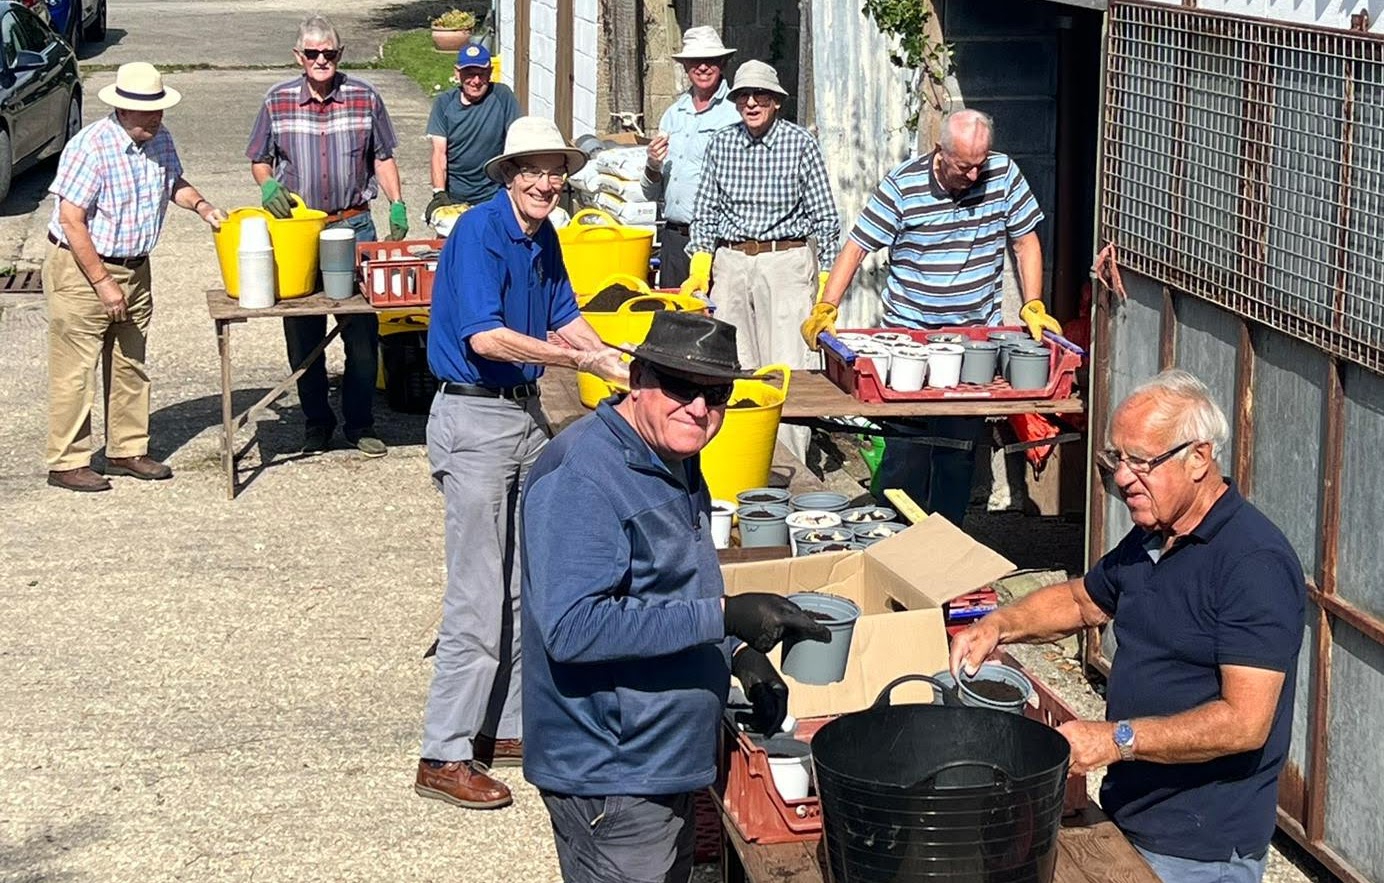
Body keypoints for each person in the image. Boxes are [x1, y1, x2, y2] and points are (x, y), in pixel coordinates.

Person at [950, 369, 1306, 883]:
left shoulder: (1253, 563)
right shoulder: (1154, 537)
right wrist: (998, 625)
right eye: (1118, 459)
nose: (1121, 477)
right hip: (1129, 814)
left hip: (1198, 848)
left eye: (1142, 461)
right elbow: (1081, 600)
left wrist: (1113, 739)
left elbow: (1244, 722)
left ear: (1199, 458)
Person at [520, 310, 830, 881]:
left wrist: (738, 654)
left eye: (716, 394)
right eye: (681, 387)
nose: (699, 408)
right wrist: (722, 616)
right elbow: (573, 628)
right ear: (637, 380)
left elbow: (667, 587)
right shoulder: (584, 477)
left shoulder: (671, 455)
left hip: (662, 758)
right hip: (613, 773)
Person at [413, 116, 631, 811]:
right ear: (507, 174)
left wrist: (618, 364)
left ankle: (502, 727)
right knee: (477, 592)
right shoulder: (480, 231)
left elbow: (566, 314)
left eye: (554, 170)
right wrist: (579, 360)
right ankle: (443, 752)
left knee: (521, 580)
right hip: (474, 414)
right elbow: (489, 337)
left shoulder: (546, 236)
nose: (546, 182)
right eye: (532, 170)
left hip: (522, 412)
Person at [800, 109, 1057, 526]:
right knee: (907, 448)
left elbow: (1026, 241)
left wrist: (1033, 304)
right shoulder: (904, 185)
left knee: (958, 450)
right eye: (963, 167)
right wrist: (827, 306)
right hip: (910, 336)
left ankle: (946, 544)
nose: (974, 176)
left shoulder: (1004, 174)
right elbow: (857, 247)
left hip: (973, 338)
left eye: (980, 165)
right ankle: (891, 535)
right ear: (940, 152)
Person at [44, 62, 226, 493]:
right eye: (148, 112)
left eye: (160, 110)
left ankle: (126, 450)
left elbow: (172, 182)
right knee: (75, 368)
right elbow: (71, 220)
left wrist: (202, 207)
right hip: (82, 267)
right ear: (123, 110)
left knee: (131, 362)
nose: (156, 118)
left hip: (136, 265)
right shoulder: (91, 147)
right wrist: (103, 283)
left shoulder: (160, 139)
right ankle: (67, 461)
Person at [246, 14, 407, 457]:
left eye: (330, 53)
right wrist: (267, 184)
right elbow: (260, 158)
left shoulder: (364, 97)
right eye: (313, 53)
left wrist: (396, 201)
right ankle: (316, 421)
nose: (322, 61)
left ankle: (360, 424)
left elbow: (383, 157)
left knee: (361, 331)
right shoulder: (276, 101)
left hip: (354, 225)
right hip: (300, 232)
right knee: (303, 331)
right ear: (299, 56)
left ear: (340, 54)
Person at [683, 60, 840, 462]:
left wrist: (826, 276)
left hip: (784, 261)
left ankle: (792, 469)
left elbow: (824, 214)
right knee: (733, 365)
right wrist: (701, 260)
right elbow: (705, 210)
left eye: (761, 96)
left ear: (776, 102)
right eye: (743, 97)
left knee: (787, 366)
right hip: (732, 261)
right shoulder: (722, 142)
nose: (751, 103)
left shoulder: (799, 143)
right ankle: (740, 461)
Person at [640, 25, 739, 288]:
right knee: (674, 321)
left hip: (717, 242)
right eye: (696, 61)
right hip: (674, 239)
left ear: (722, 64)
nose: (703, 67)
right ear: (686, 67)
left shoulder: (735, 113)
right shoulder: (673, 114)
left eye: (710, 61)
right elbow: (651, 192)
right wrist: (652, 163)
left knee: (716, 321)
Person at [424, 42, 520, 224]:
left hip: (494, 192)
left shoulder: (502, 96)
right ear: (457, 73)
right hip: (456, 195)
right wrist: (439, 193)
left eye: (481, 74)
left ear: (490, 73)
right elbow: (439, 153)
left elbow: (517, 141)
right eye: (469, 74)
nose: (476, 81)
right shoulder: (444, 104)